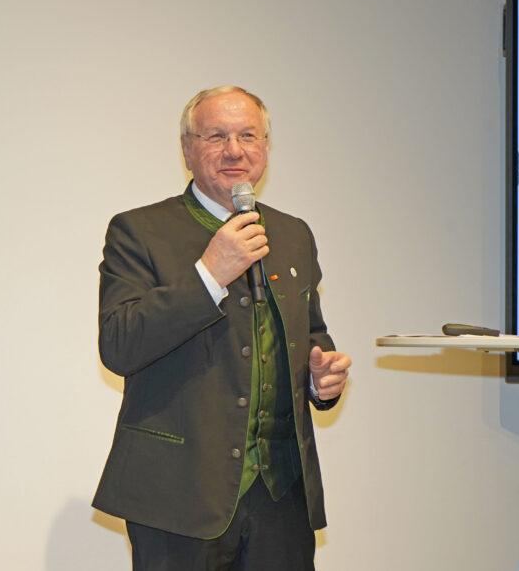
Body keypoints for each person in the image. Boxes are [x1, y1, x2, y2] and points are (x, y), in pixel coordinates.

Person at [92, 85, 351, 570]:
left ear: (265, 148)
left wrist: (322, 378)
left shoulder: (294, 233)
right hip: (177, 496)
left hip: (281, 497)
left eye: (248, 136)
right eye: (216, 136)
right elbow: (119, 345)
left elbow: (312, 334)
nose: (235, 150)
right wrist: (209, 274)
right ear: (187, 150)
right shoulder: (139, 231)